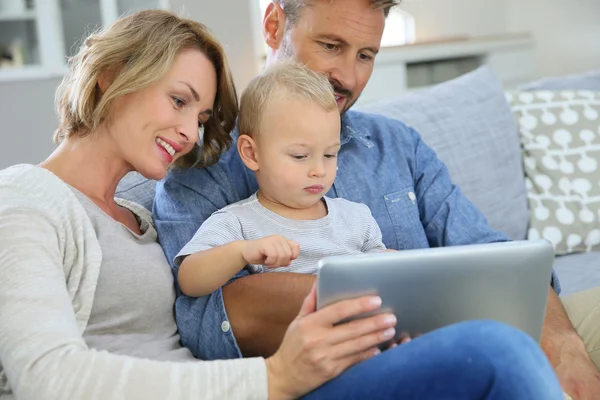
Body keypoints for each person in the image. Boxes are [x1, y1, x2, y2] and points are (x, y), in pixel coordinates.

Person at [0, 8, 564, 400]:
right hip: (266, 386)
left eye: (198, 117)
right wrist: (274, 379)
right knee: (493, 350)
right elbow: (48, 378)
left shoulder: (139, 222)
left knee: (499, 350)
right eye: (178, 100)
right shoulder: (25, 199)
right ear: (108, 79)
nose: (190, 134)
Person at [152, 0, 600, 398]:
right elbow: (206, 317)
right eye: (330, 45)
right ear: (273, 26)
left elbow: (494, 254)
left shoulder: (397, 144)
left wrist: (563, 347)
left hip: (465, 326)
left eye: (365, 55)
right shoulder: (205, 162)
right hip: (386, 358)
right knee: (500, 351)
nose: (347, 75)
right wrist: (403, 309)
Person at [175, 61, 388, 298]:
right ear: (251, 153)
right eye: (300, 156)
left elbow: (385, 271)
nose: (319, 170)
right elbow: (189, 280)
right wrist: (242, 252)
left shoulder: (357, 217)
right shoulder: (238, 223)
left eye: (329, 154)